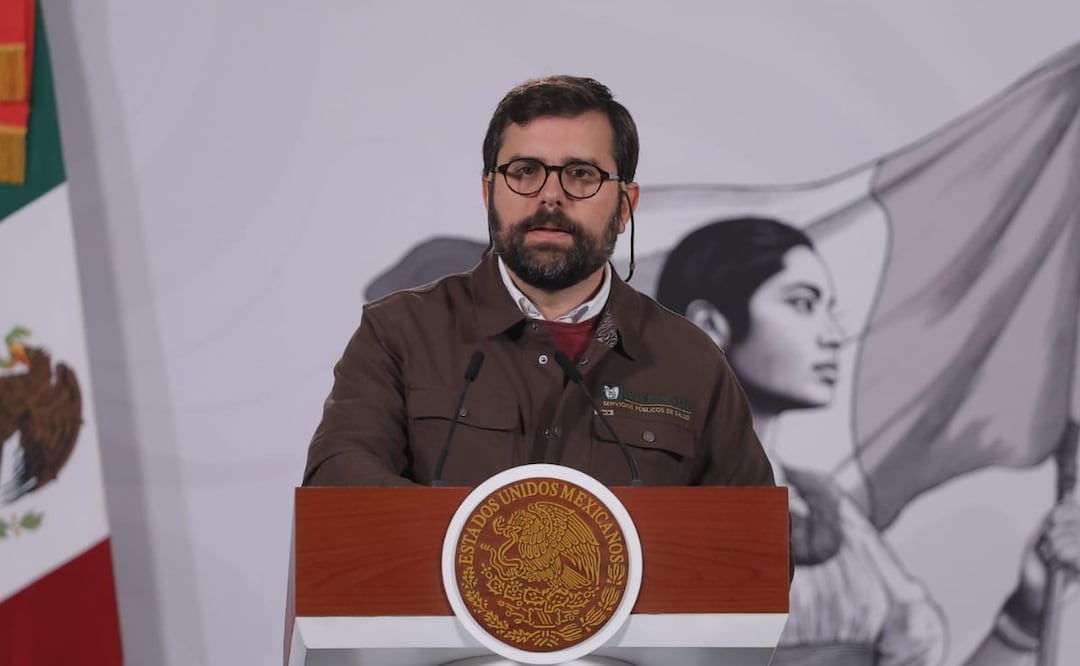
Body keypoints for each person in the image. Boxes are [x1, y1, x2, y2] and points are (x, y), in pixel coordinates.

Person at [303, 76, 776, 493]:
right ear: (489, 192)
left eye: (581, 174)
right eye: (525, 172)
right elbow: (337, 483)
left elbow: (755, 549)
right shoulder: (400, 333)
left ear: (626, 206)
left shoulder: (690, 359)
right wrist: (485, 545)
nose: (551, 195)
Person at [656, 216, 1080, 665]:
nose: (833, 336)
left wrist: (1025, 613)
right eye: (802, 304)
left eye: (829, 309)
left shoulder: (826, 508)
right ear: (708, 326)